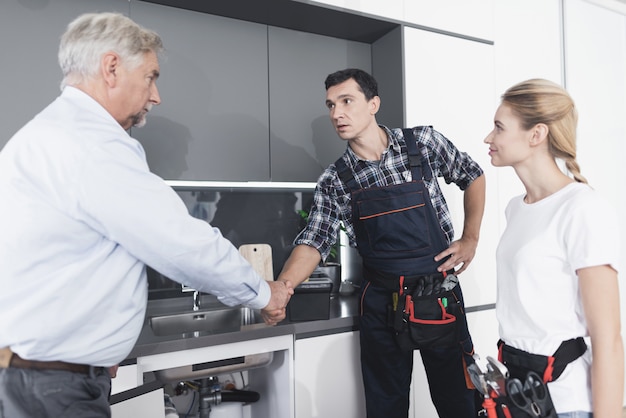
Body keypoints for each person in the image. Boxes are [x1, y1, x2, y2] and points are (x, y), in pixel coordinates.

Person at [0, 12, 292, 418]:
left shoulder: (43, 134)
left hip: (32, 373)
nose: (156, 96)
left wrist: (98, 347)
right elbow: (182, 244)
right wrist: (264, 293)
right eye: (151, 76)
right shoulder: (92, 143)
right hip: (55, 386)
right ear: (112, 67)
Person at [277, 68, 486, 417]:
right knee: (385, 407)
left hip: (437, 292)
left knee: (460, 401)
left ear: (373, 104)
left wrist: (471, 238)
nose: (336, 113)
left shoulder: (423, 144)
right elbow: (314, 239)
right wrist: (283, 287)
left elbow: (472, 174)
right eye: (330, 105)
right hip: (381, 302)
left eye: (346, 101)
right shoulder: (336, 179)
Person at [485, 78, 623, 418]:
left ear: (536, 134)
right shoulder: (516, 208)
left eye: (499, 127)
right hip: (519, 398)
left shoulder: (581, 209)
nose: (489, 138)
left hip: (566, 403)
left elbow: (608, 338)